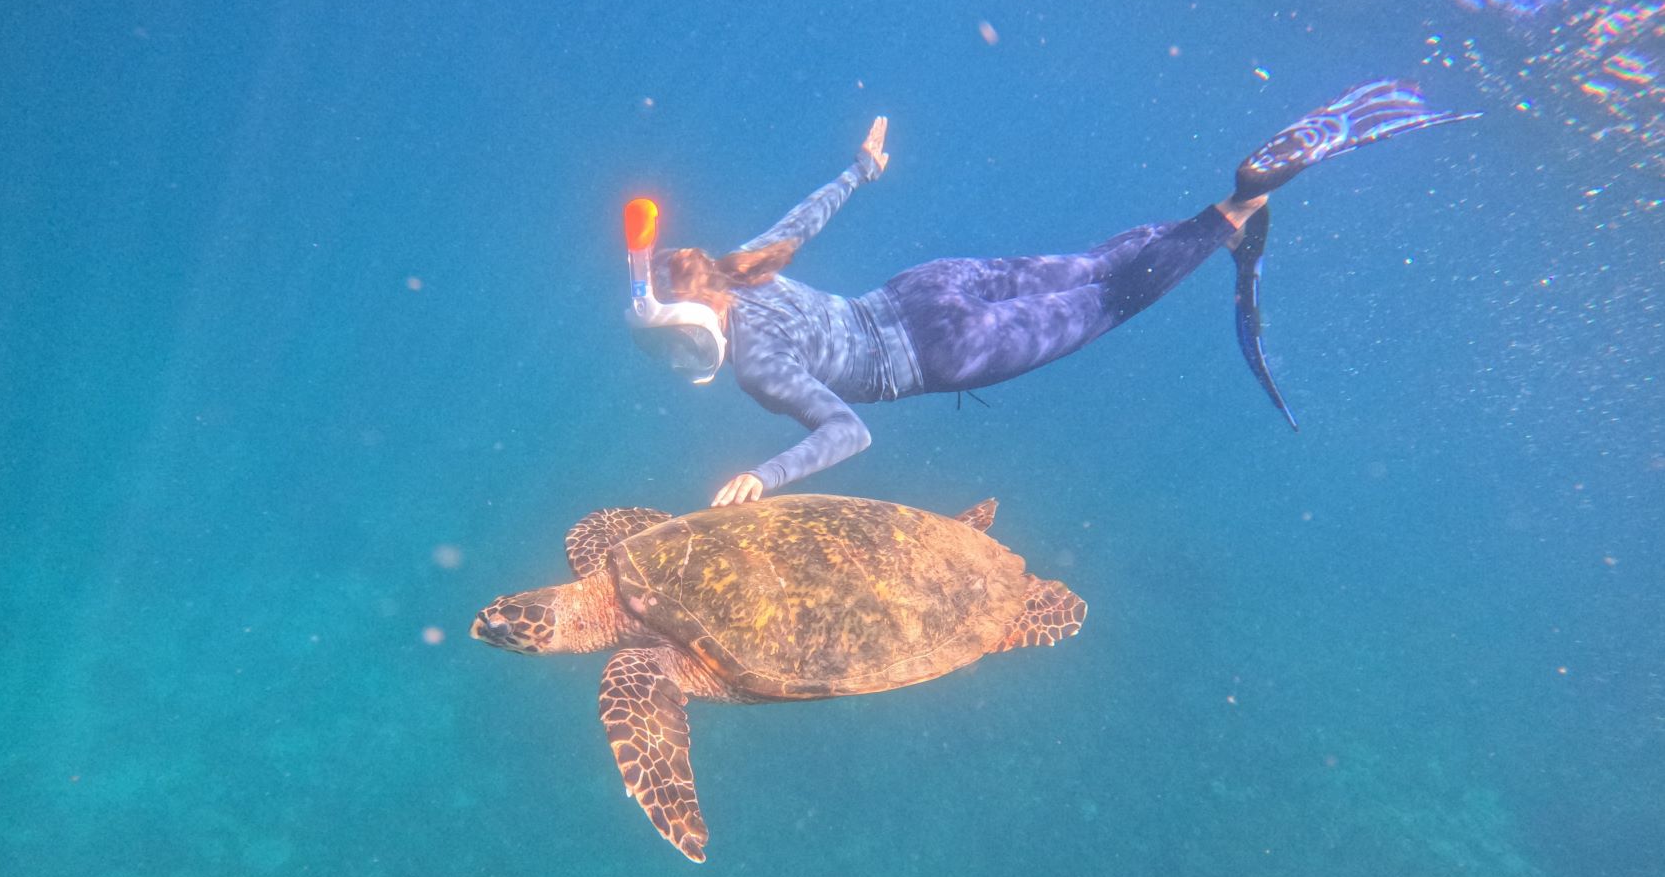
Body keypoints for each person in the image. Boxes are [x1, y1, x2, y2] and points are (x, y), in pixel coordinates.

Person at [622, 81, 1478, 506]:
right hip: (927, 287)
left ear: (690, 330)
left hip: (942, 351)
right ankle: (1220, 210)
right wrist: (862, 168)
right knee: (1090, 265)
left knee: (1112, 301)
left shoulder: (756, 367)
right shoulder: (741, 267)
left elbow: (850, 429)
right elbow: (800, 222)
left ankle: (1240, 203)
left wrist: (764, 478)